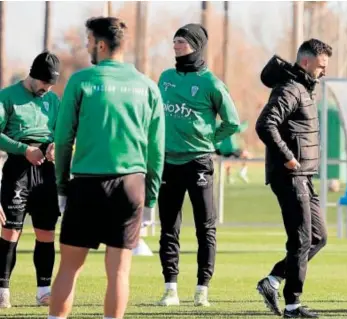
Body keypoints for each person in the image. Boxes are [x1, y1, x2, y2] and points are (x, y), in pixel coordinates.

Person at [48, 16, 165, 319]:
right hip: (130, 186)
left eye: (88, 40)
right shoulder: (148, 86)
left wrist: (62, 186)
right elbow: (156, 149)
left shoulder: (81, 81)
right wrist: (150, 198)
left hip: (87, 184)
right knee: (119, 273)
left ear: (100, 44)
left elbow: (62, 140)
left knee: (69, 269)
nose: (87, 46)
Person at [155, 23, 240, 307]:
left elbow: (232, 122)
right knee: (169, 227)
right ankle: (170, 289)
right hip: (168, 162)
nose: (177, 46)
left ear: (196, 45)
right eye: (175, 41)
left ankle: (202, 288)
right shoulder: (165, 78)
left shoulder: (211, 83)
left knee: (205, 227)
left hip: (199, 163)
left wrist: (209, 140)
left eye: (182, 41)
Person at [255, 39, 332, 318]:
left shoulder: (304, 88)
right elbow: (265, 124)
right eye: (321, 66)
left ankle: (273, 281)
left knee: (318, 237)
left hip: (303, 175)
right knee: (300, 239)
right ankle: (292, 307)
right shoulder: (290, 89)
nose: (324, 72)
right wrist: (288, 156)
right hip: (290, 175)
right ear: (305, 62)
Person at [0, 51, 61, 308]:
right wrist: (24, 149)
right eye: (44, 83)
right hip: (18, 168)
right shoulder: (7, 96)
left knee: (46, 233)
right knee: (11, 231)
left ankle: (44, 291)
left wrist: (55, 145)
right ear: (33, 75)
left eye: (51, 84)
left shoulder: (54, 100)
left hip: (46, 171)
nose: (47, 88)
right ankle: (2, 291)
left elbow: (62, 131)